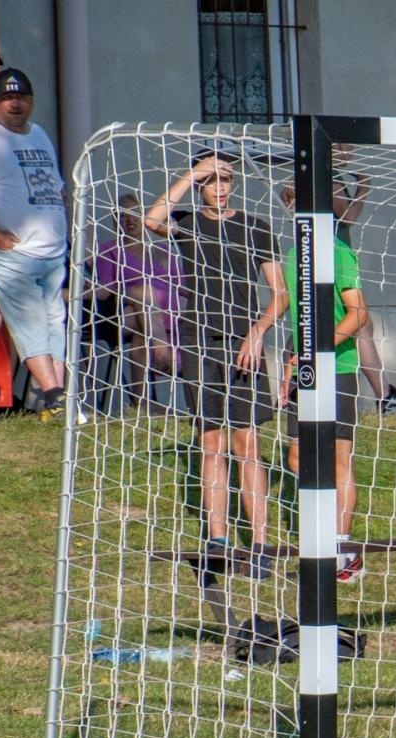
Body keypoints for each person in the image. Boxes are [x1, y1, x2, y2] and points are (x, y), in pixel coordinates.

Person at [145, 149, 288, 577]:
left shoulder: (256, 228)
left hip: (243, 342)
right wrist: (191, 175)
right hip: (197, 338)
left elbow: (280, 294)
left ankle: (260, 545)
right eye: (213, 180)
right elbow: (152, 220)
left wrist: (256, 333)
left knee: (247, 444)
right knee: (211, 443)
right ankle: (218, 539)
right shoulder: (187, 223)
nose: (220, 187)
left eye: (226, 179)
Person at [282, 231, 369, 583]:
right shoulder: (293, 254)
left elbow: (358, 314)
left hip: (337, 368)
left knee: (337, 458)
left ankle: (342, 549)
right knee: (297, 458)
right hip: (302, 368)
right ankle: (319, 541)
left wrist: (317, 348)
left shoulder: (339, 253)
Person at [0, 68, 62, 412]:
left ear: (32, 101)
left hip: (51, 250)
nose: (15, 104)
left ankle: (56, 400)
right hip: (9, 253)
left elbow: (54, 187)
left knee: (55, 320)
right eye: (8, 98)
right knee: (30, 321)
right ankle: (54, 395)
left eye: (21, 97)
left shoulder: (38, 134)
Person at [328, 149, 396, 413]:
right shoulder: (330, 177)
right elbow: (348, 217)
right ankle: (384, 395)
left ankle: (385, 393)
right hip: (335, 257)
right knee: (357, 322)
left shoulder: (317, 175)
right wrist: (364, 187)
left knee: (362, 326)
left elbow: (287, 193)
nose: (349, 152)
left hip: (329, 254)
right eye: (343, 146)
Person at [90, 192, 183, 411]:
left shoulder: (161, 251)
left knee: (141, 327)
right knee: (143, 294)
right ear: (115, 222)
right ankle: (160, 353)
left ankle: (141, 400)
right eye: (122, 216)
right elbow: (107, 289)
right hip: (123, 314)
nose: (129, 220)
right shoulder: (109, 250)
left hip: (165, 316)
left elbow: (184, 286)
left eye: (134, 214)